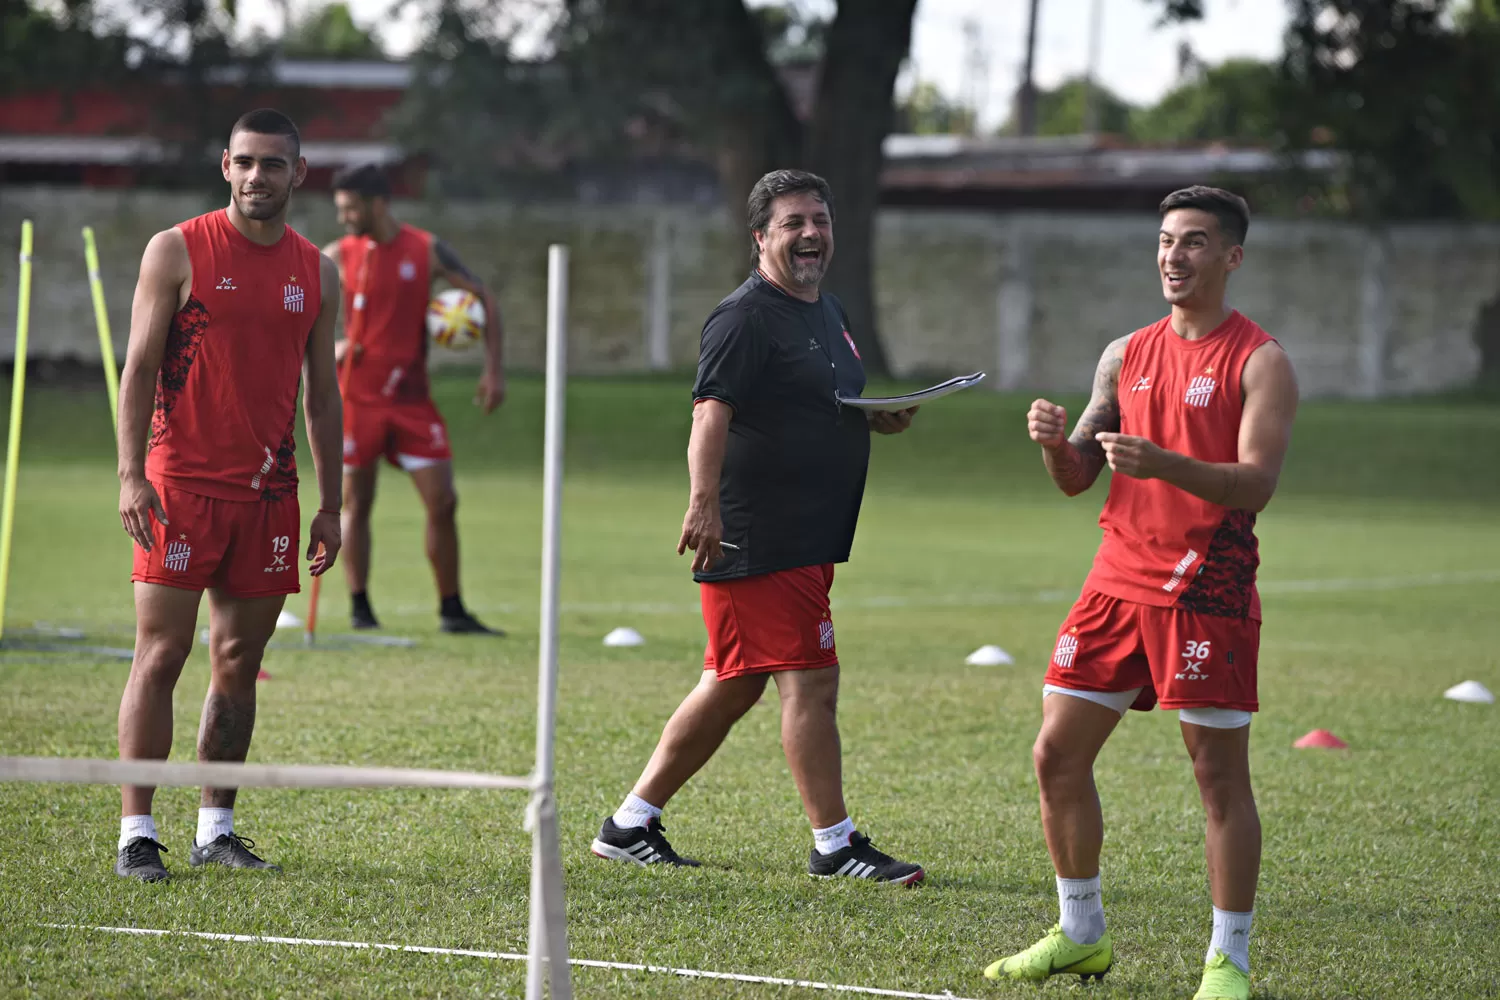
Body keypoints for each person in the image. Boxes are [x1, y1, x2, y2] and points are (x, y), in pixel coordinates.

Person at [983, 186, 1299, 1000]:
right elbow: (1080, 475)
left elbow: (1255, 484)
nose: (1173, 256)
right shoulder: (1125, 354)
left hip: (1206, 589)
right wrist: (1055, 446)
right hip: (1115, 584)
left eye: (1194, 242)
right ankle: (1079, 934)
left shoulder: (1260, 361)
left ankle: (1228, 962)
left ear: (1231, 257)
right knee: (1056, 754)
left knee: (1218, 778)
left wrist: (1165, 465)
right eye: (1165, 241)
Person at [589, 169, 925, 884]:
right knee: (811, 682)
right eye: (794, 223)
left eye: (820, 221)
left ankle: (630, 823)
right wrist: (702, 501)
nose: (810, 234)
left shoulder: (826, 310)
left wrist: (879, 417)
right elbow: (710, 412)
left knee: (733, 682)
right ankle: (834, 845)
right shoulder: (743, 317)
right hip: (759, 534)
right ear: (761, 237)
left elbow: (820, 401)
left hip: (806, 530)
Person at [114, 109, 344, 882]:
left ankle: (217, 827)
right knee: (162, 654)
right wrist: (129, 474)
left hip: (272, 496)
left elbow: (323, 397)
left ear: (298, 174)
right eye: (245, 162)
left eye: (273, 164)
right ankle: (136, 833)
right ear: (224, 166)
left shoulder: (318, 270)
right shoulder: (177, 248)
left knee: (238, 662)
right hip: (178, 490)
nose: (257, 177)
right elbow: (138, 367)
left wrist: (332, 503)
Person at [323, 163, 505, 635]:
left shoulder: (426, 250)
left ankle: (452, 609)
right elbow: (298, 314)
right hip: (356, 401)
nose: (344, 218)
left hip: (412, 403)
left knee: (443, 501)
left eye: (350, 208)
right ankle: (361, 609)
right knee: (355, 504)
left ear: (377, 203)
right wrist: (331, 348)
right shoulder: (337, 256)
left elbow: (482, 294)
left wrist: (492, 369)